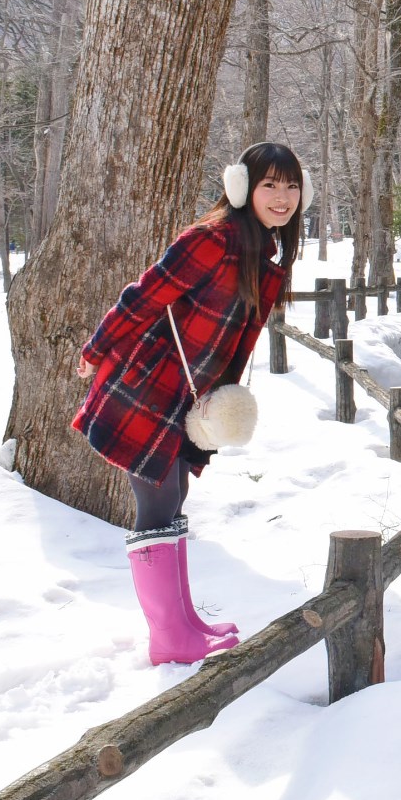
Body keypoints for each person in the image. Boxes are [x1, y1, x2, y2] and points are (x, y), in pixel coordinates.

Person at [72, 143, 310, 664]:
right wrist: (96, 348)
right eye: (270, 184)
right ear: (243, 187)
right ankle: (168, 638)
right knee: (156, 502)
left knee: (174, 494)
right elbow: (144, 296)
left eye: (291, 186)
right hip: (147, 383)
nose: (283, 196)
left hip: (186, 393)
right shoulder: (212, 240)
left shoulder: (261, 250)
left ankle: (182, 622)